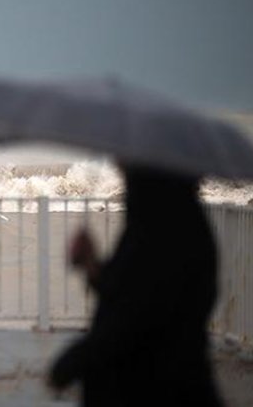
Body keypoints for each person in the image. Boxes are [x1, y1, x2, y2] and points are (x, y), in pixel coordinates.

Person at [47, 165, 224, 406]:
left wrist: (74, 362)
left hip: (153, 388)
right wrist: (91, 265)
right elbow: (129, 287)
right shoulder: (169, 223)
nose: (122, 170)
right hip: (166, 382)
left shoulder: (164, 231)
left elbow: (136, 318)